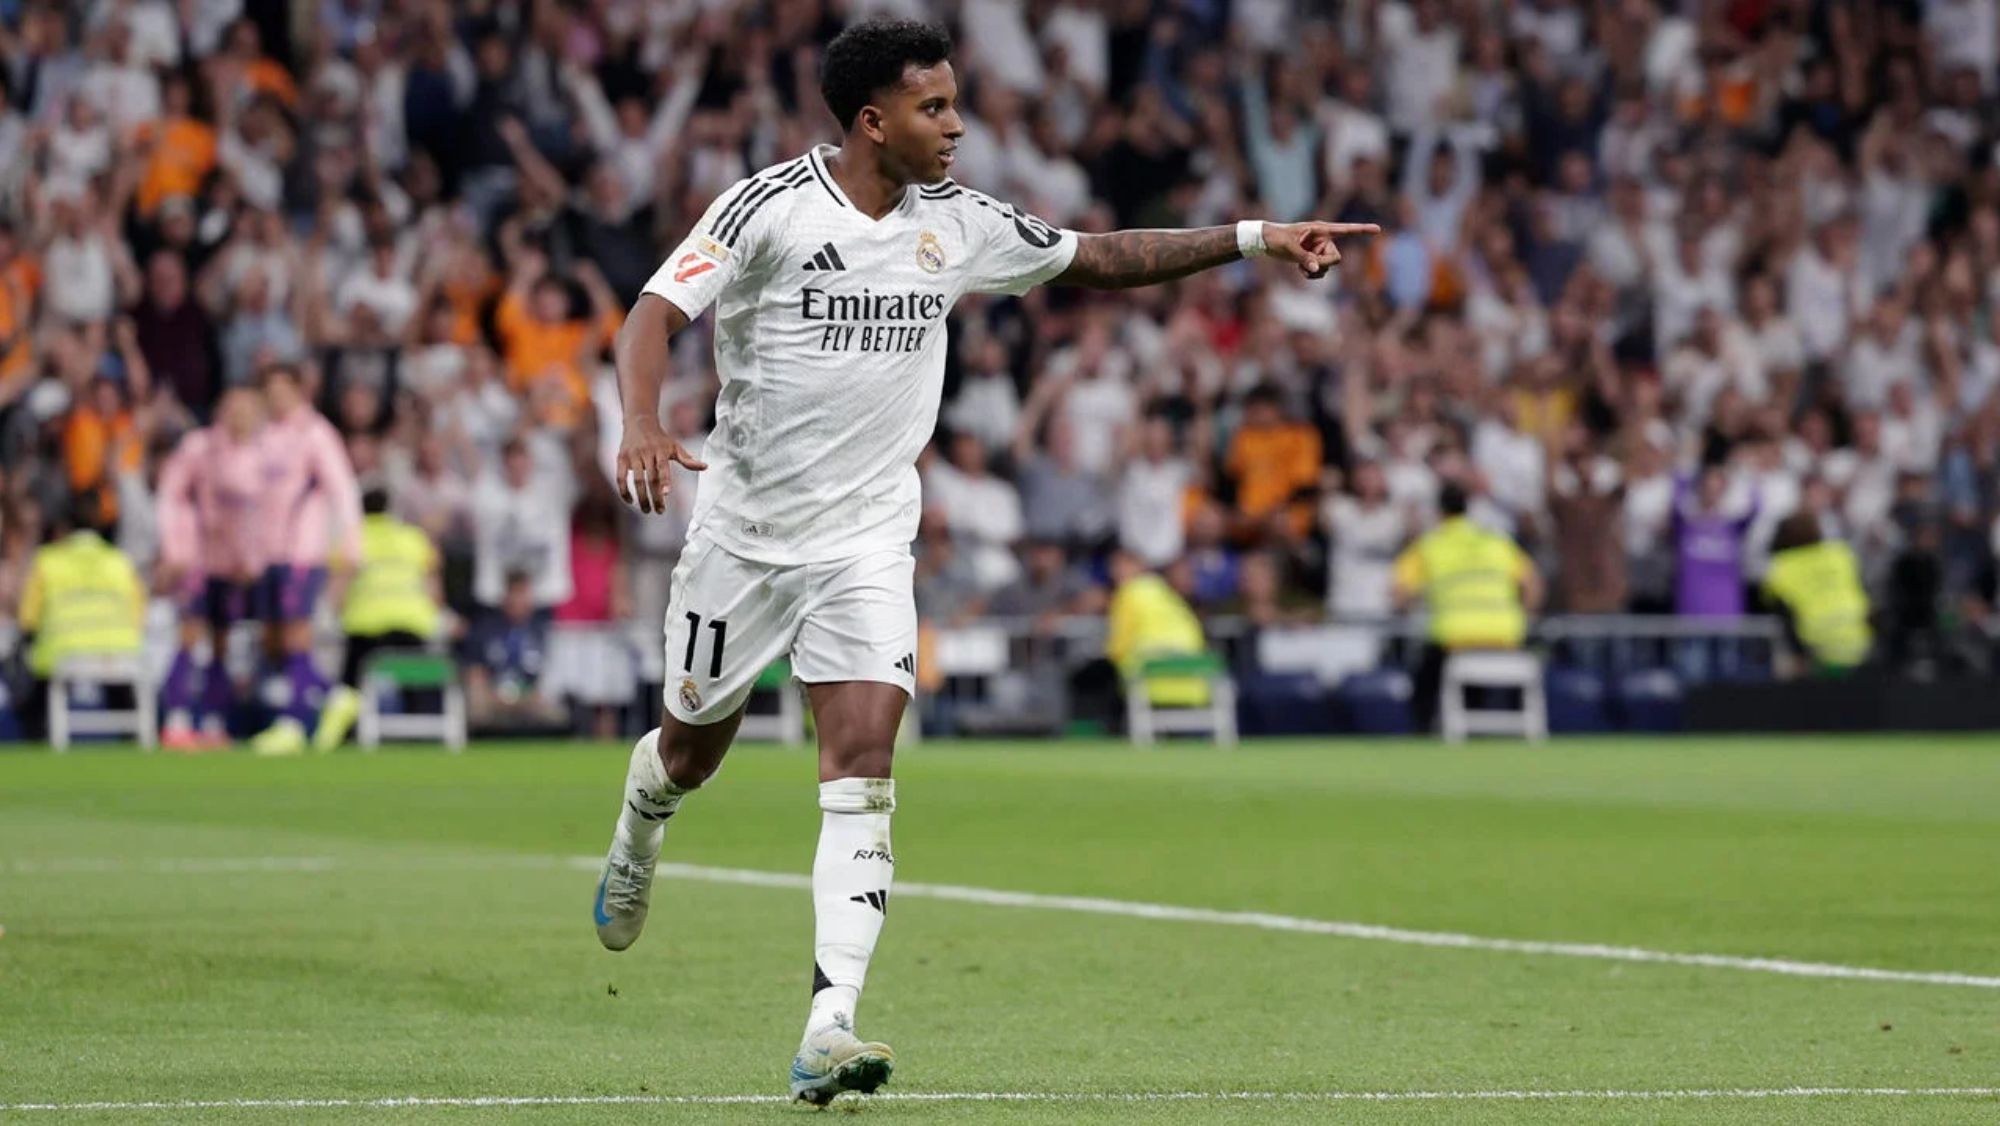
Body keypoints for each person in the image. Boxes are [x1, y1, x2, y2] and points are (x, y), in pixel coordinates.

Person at [591, 17, 1377, 1107]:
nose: (956, 126)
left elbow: (1095, 258)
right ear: (873, 121)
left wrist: (1253, 236)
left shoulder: (956, 224)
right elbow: (651, 313)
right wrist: (638, 416)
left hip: (866, 541)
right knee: (687, 749)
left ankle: (829, 1022)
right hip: (744, 536)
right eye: (934, 108)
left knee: (861, 766)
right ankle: (640, 826)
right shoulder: (768, 207)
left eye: (955, 103)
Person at [245, 363, 363, 756]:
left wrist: (350, 548)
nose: (276, 399)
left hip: (303, 551)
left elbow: (343, 490)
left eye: (283, 391)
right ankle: (333, 696)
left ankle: (293, 723)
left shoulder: (315, 434)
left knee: (298, 633)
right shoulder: (263, 437)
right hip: (268, 553)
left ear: (299, 391)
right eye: (270, 391)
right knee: (275, 639)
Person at [154, 384, 267, 748]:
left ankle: (214, 721)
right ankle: (177, 719)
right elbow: (171, 494)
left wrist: (251, 560)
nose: (240, 417)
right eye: (234, 409)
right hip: (197, 560)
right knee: (189, 636)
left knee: (222, 643)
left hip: (232, 566)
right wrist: (176, 548)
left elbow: (259, 517)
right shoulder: (198, 447)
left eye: (248, 410)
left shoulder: (258, 455)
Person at [1392, 482, 1545, 733]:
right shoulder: (1496, 541)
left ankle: (1421, 732)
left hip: (1455, 636)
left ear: (1439, 512)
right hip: (1504, 635)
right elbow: (1534, 585)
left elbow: (1399, 593)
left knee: (1424, 681)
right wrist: (1525, 619)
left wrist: (1415, 605)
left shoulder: (1430, 545)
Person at [312, 486, 445, 751]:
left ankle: (340, 734)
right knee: (417, 682)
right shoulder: (414, 538)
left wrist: (334, 617)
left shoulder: (353, 539)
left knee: (350, 681)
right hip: (410, 627)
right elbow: (434, 591)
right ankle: (421, 736)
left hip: (366, 630)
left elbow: (338, 590)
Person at [17, 492, 145, 740]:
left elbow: (27, 619)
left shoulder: (47, 561)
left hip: (63, 649)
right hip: (118, 648)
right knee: (123, 697)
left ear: (65, 526)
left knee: (34, 697)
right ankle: (135, 743)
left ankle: (39, 742)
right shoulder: (119, 561)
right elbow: (139, 614)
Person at [1761, 513, 1872, 675]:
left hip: (1815, 648)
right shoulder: (1841, 554)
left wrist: (1797, 655)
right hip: (1857, 642)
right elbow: (1863, 591)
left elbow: (1783, 614)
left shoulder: (1781, 566)